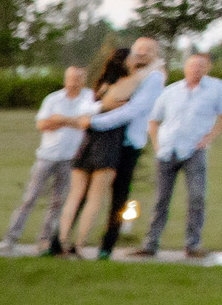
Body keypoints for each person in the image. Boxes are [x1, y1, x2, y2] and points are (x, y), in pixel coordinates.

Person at [58, 42, 160, 257]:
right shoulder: (127, 83)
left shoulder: (103, 83)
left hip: (87, 143)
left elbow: (88, 108)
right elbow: (133, 104)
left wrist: (92, 116)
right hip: (108, 144)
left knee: (76, 195)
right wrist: (155, 65)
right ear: (126, 62)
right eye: (134, 55)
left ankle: (61, 241)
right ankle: (79, 245)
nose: (138, 57)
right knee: (96, 198)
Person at [83, 36, 166, 259]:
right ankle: (66, 241)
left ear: (156, 54)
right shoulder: (127, 75)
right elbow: (101, 99)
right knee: (86, 189)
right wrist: (95, 112)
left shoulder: (154, 78)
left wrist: (93, 122)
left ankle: (107, 245)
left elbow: (133, 110)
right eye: (138, 50)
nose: (141, 53)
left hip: (129, 142)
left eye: (148, 50)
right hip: (107, 139)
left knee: (119, 195)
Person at [136, 51, 222, 258]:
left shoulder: (215, 90)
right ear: (185, 67)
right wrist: (157, 145)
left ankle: (192, 245)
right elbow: (154, 120)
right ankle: (151, 244)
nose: (196, 69)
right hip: (168, 150)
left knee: (197, 197)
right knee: (161, 199)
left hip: (194, 150)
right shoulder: (170, 91)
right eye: (192, 66)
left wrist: (208, 138)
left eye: (201, 66)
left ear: (206, 68)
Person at [2, 67, 92, 252]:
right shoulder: (53, 99)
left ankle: (44, 240)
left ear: (83, 80)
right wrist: (71, 122)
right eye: (71, 78)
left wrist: (61, 120)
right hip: (47, 155)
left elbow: (86, 123)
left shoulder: (88, 97)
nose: (73, 82)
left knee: (58, 201)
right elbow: (43, 124)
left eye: (77, 78)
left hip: (70, 158)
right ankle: (10, 238)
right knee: (30, 197)